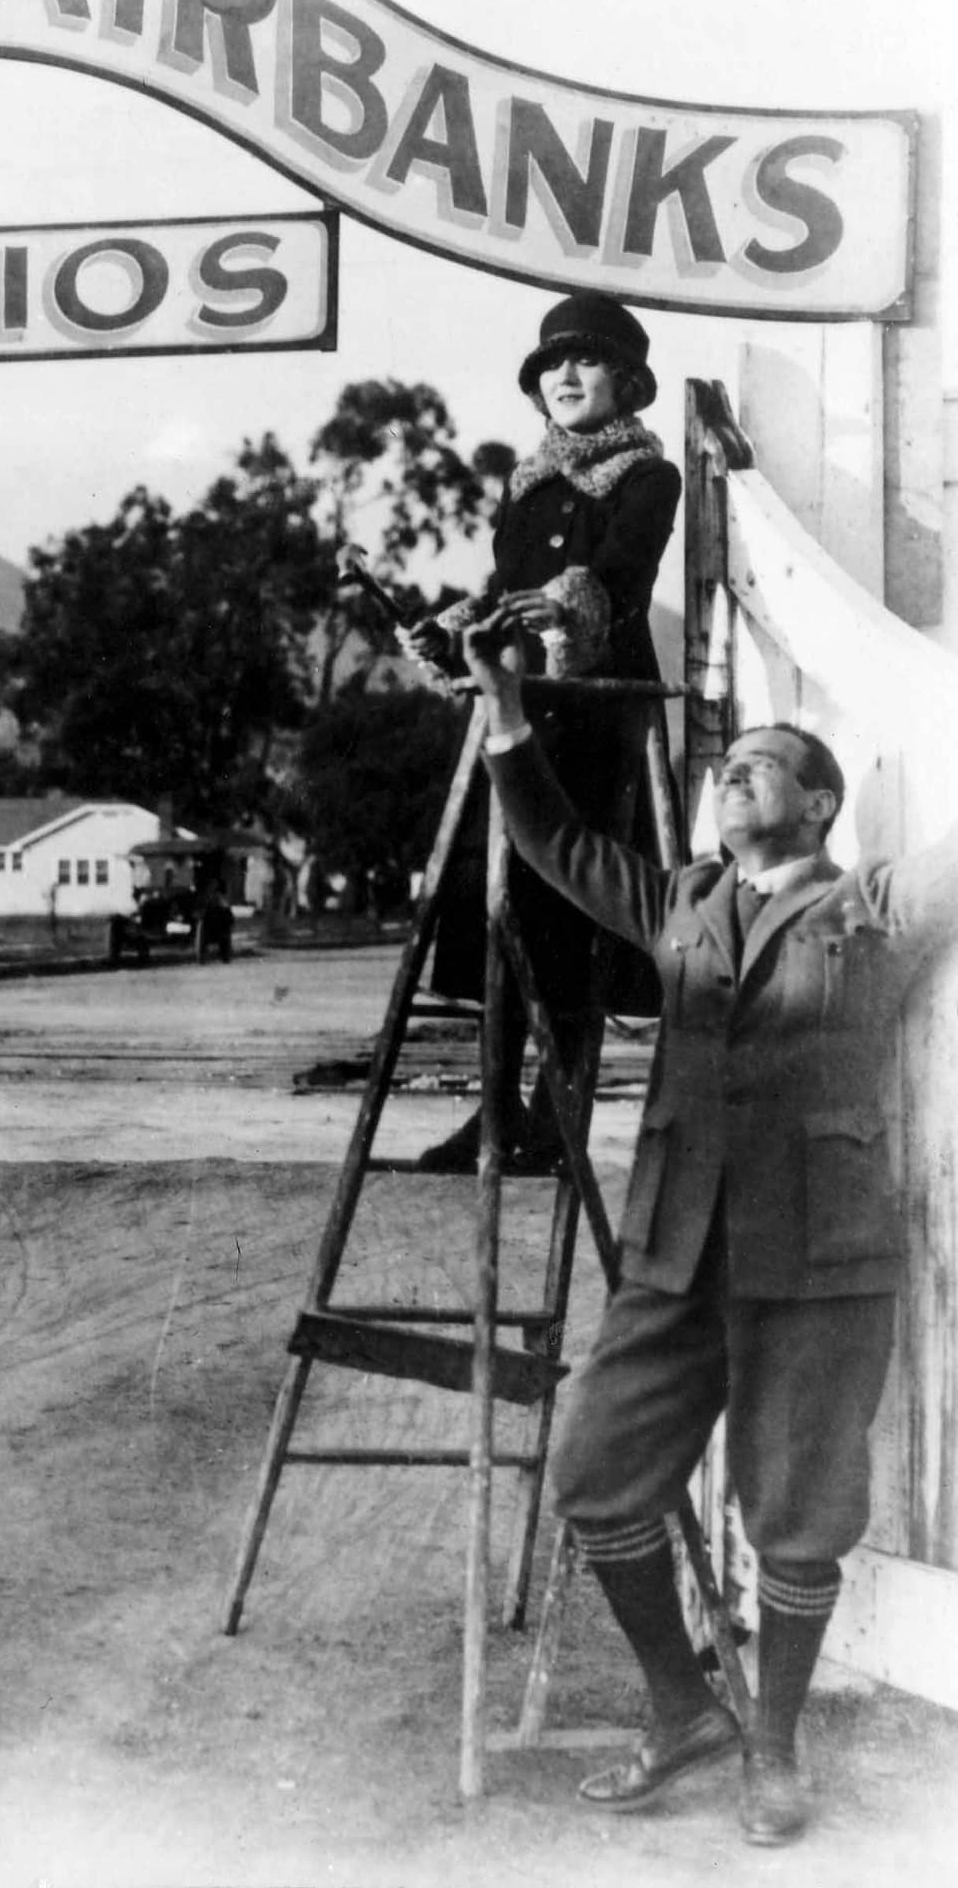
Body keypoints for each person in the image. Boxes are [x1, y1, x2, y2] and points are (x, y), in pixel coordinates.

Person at [461, 606, 958, 1846]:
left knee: (796, 1515)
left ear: (821, 802)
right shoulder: (681, 899)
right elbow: (554, 841)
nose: (731, 776)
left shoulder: (873, 909)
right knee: (596, 1475)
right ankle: (682, 1710)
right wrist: (508, 714)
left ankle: (773, 1752)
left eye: (761, 765)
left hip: (820, 1259)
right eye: (724, 768)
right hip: (674, 1252)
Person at [356, 290, 684, 1172]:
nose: (565, 376)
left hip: (598, 713)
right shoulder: (528, 479)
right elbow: (505, 584)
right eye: (552, 366)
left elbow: (618, 579)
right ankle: (495, 1116)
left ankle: (556, 1121)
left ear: (626, 380)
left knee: (578, 911)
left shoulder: (651, 476)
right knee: (494, 904)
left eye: (586, 362)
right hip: (522, 706)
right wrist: (453, 625)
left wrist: (565, 607)